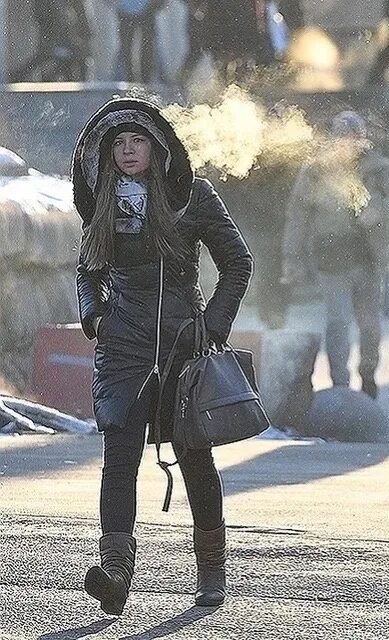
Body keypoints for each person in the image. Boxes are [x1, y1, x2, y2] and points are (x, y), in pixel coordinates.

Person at [73, 98, 253, 615]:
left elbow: (238, 262)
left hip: (183, 346)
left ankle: (212, 569)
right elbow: (88, 270)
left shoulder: (194, 196)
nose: (128, 152)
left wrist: (213, 326)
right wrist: (97, 316)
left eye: (138, 141)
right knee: (119, 458)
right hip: (123, 346)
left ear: (158, 146)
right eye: (118, 145)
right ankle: (115, 571)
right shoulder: (103, 201)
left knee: (196, 458)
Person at [281, 111, 389, 399]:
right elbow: (297, 216)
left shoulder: (379, 169)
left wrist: (378, 213)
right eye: (341, 137)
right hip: (331, 258)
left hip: (369, 258)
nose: (346, 144)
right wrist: (292, 259)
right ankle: (340, 382)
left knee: (370, 324)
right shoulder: (316, 171)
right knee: (338, 321)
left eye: (352, 138)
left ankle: (368, 373)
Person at [11, 0, 90, 82]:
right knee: (52, 59)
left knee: (73, 60)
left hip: (63, 42)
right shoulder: (47, 6)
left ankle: (77, 84)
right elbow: (41, 18)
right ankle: (17, 77)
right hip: (52, 42)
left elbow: (81, 24)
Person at [113, 0, 167, 83]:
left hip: (147, 9)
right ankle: (130, 79)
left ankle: (145, 79)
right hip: (126, 10)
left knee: (146, 46)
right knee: (127, 47)